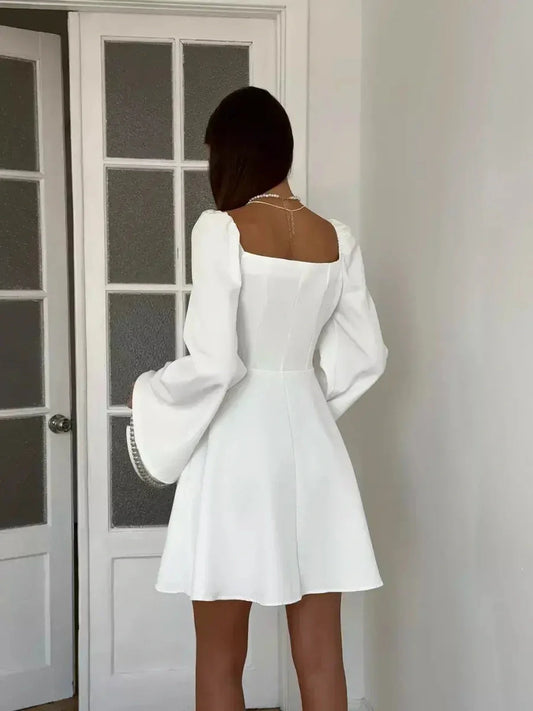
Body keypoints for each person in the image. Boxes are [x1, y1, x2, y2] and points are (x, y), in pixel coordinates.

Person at [126, 86, 388, 711]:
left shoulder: (222, 229)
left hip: (237, 452)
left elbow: (216, 363)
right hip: (315, 450)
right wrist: (309, 405)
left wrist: (151, 394)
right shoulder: (336, 237)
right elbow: (367, 356)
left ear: (232, 153)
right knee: (322, 658)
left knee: (221, 660)